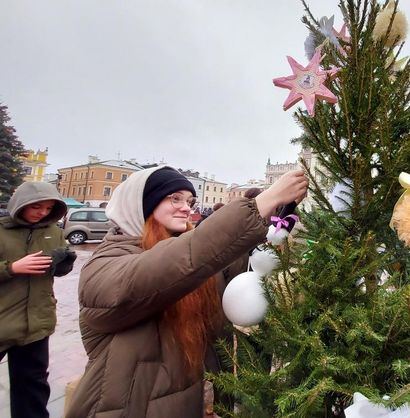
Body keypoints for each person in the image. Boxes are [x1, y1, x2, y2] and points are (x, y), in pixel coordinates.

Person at [66, 166, 307, 418]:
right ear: (141, 204)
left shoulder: (189, 256)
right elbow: (178, 261)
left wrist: (281, 216)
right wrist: (262, 201)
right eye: (175, 198)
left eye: (190, 201)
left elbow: (223, 263)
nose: (186, 207)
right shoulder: (107, 262)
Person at [1, 182, 76, 418]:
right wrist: (12, 267)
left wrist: (65, 261)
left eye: (48, 207)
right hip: (2, 320)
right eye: (36, 206)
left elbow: (59, 270)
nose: (42, 212)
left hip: (37, 323)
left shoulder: (53, 231)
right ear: (20, 204)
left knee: (32, 388)